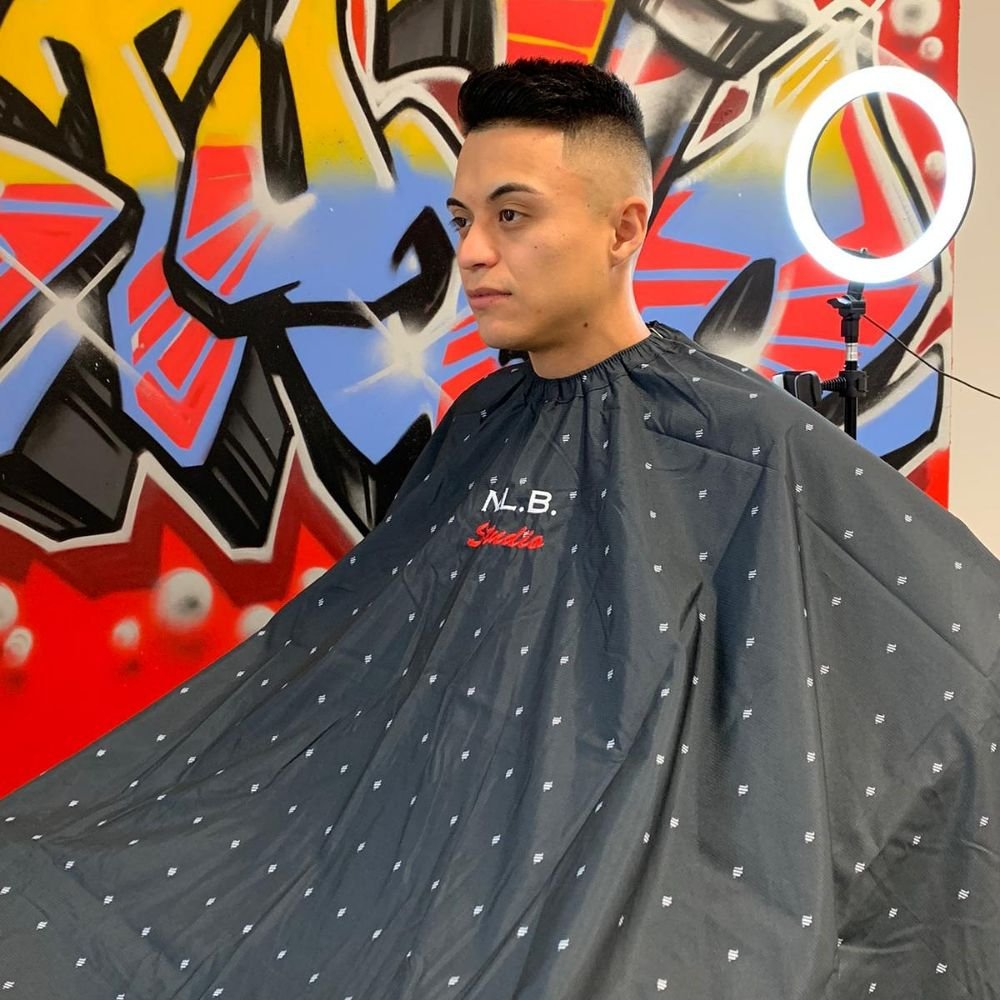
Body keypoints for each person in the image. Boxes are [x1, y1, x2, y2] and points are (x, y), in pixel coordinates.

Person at [1, 59, 998, 1000]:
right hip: (417, 869)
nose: (473, 252)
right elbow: (364, 657)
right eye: (464, 219)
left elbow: (945, 643)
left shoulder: (745, 441)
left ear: (624, 228)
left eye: (512, 216)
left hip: (614, 904)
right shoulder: (480, 421)